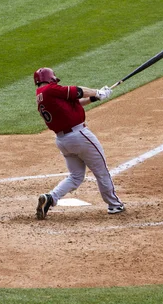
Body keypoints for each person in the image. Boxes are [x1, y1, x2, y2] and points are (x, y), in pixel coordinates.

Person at [33, 67, 124, 219]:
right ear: (50, 79)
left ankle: (50, 198)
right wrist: (96, 91)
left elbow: (76, 103)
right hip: (79, 135)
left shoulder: (41, 96)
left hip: (63, 140)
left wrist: (97, 96)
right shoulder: (51, 89)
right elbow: (78, 91)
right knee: (101, 170)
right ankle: (114, 205)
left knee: (76, 176)